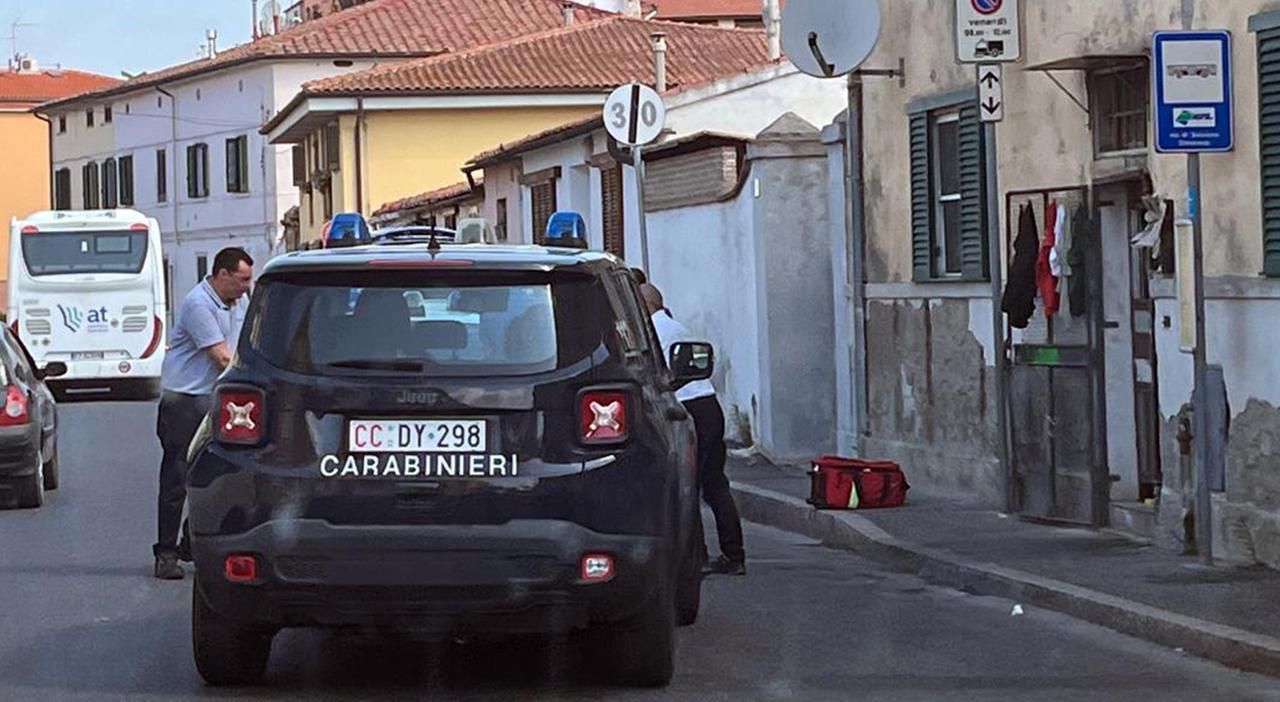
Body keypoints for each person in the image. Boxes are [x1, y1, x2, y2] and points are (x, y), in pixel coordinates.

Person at [153, 247, 254, 580]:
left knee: (215, 473)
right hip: (184, 400)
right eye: (241, 280)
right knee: (177, 477)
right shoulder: (199, 304)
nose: (246, 286)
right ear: (221, 275)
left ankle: (188, 542)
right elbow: (223, 358)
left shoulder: (236, 301)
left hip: (213, 398)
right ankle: (165, 554)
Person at [640, 283, 745, 576]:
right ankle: (733, 554)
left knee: (686, 485)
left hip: (687, 409)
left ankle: (696, 557)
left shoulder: (653, 333)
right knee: (714, 483)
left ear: (645, 306)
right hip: (708, 405)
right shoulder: (677, 327)